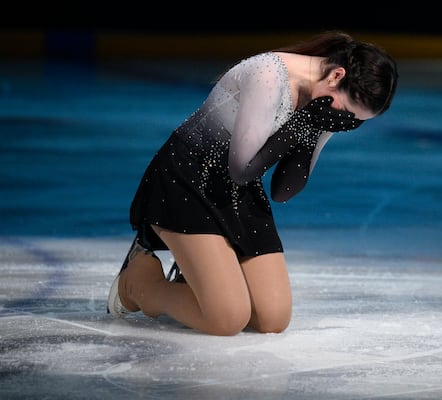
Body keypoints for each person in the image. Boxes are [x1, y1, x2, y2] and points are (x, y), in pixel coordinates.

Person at [107, 30, 398, 336]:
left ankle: (194, 274)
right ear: (337, 75)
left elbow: (283, 190)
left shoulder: (324, 105)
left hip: (237, 193)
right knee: (227, 319)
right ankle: (137, 281)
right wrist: (303, 123)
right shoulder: (269, 74)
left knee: (272, 319)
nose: (345, 121)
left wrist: (311, 131)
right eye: (348, 113)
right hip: (187, 180)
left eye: (354, 122)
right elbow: (240, 169)